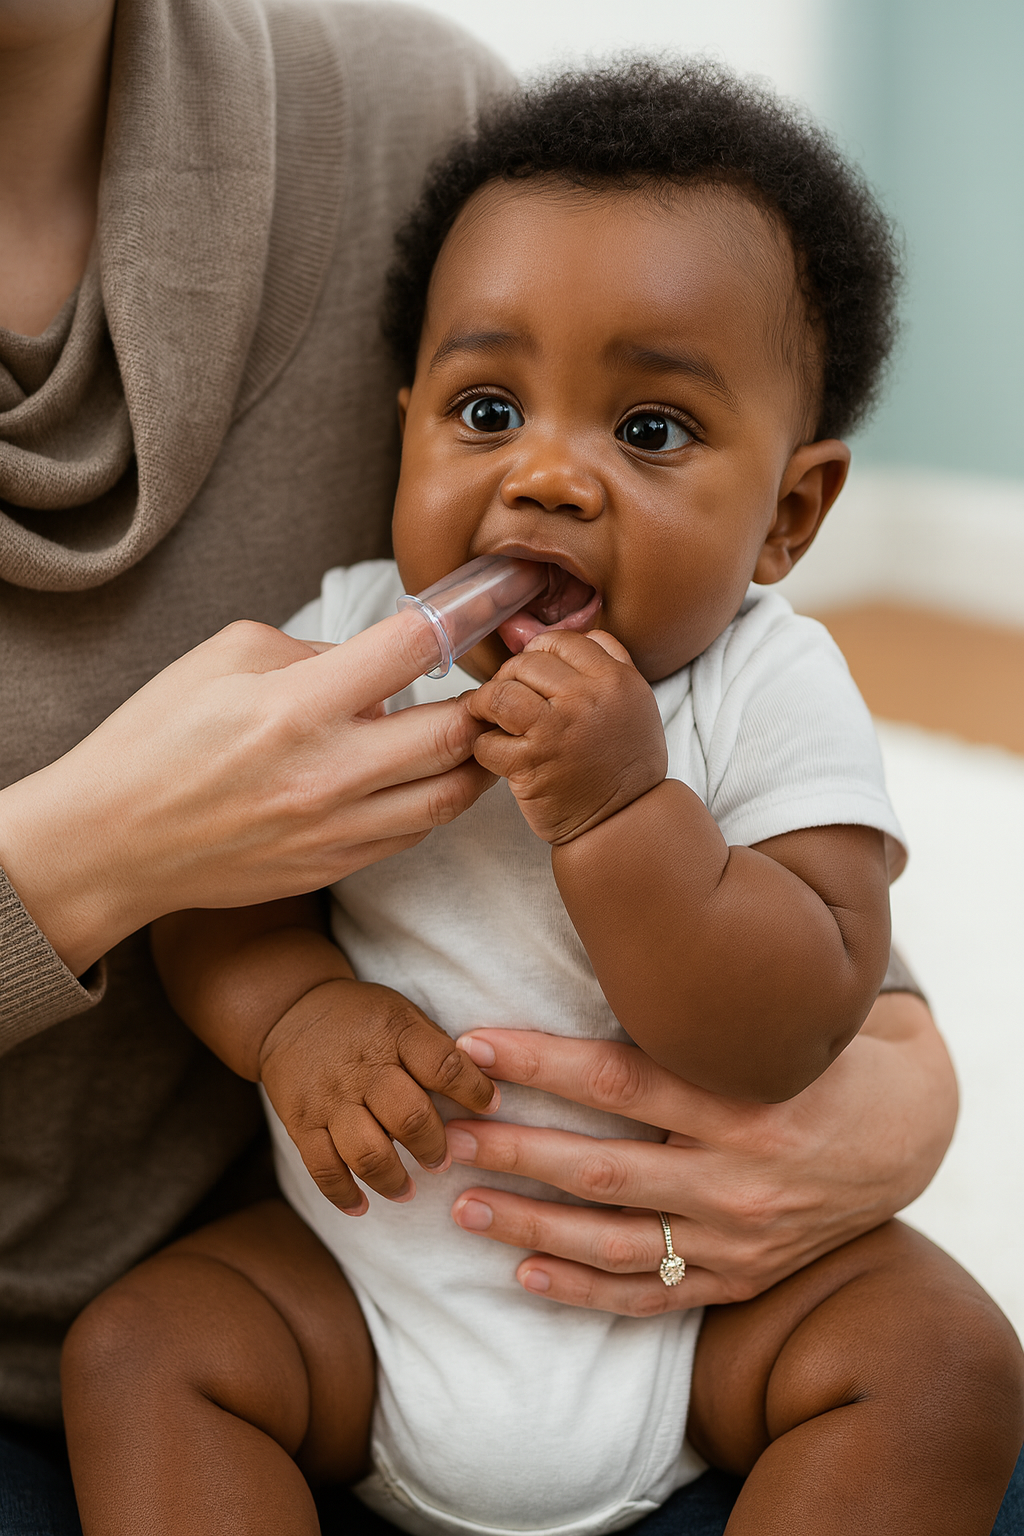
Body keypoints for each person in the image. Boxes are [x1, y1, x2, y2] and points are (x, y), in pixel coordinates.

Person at [0, 3, 1016, 1531]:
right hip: (358, 1285)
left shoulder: (773, 685)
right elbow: (215, 901)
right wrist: (298, 1020)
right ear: (401, 425)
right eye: (485, 412)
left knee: (944, 1364)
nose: (545, 472)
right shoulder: (350, 637)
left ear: (791, 519)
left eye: (653, 428)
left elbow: (806, 1005)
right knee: (148, 1353)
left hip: (693, 1324)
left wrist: (622, 813)